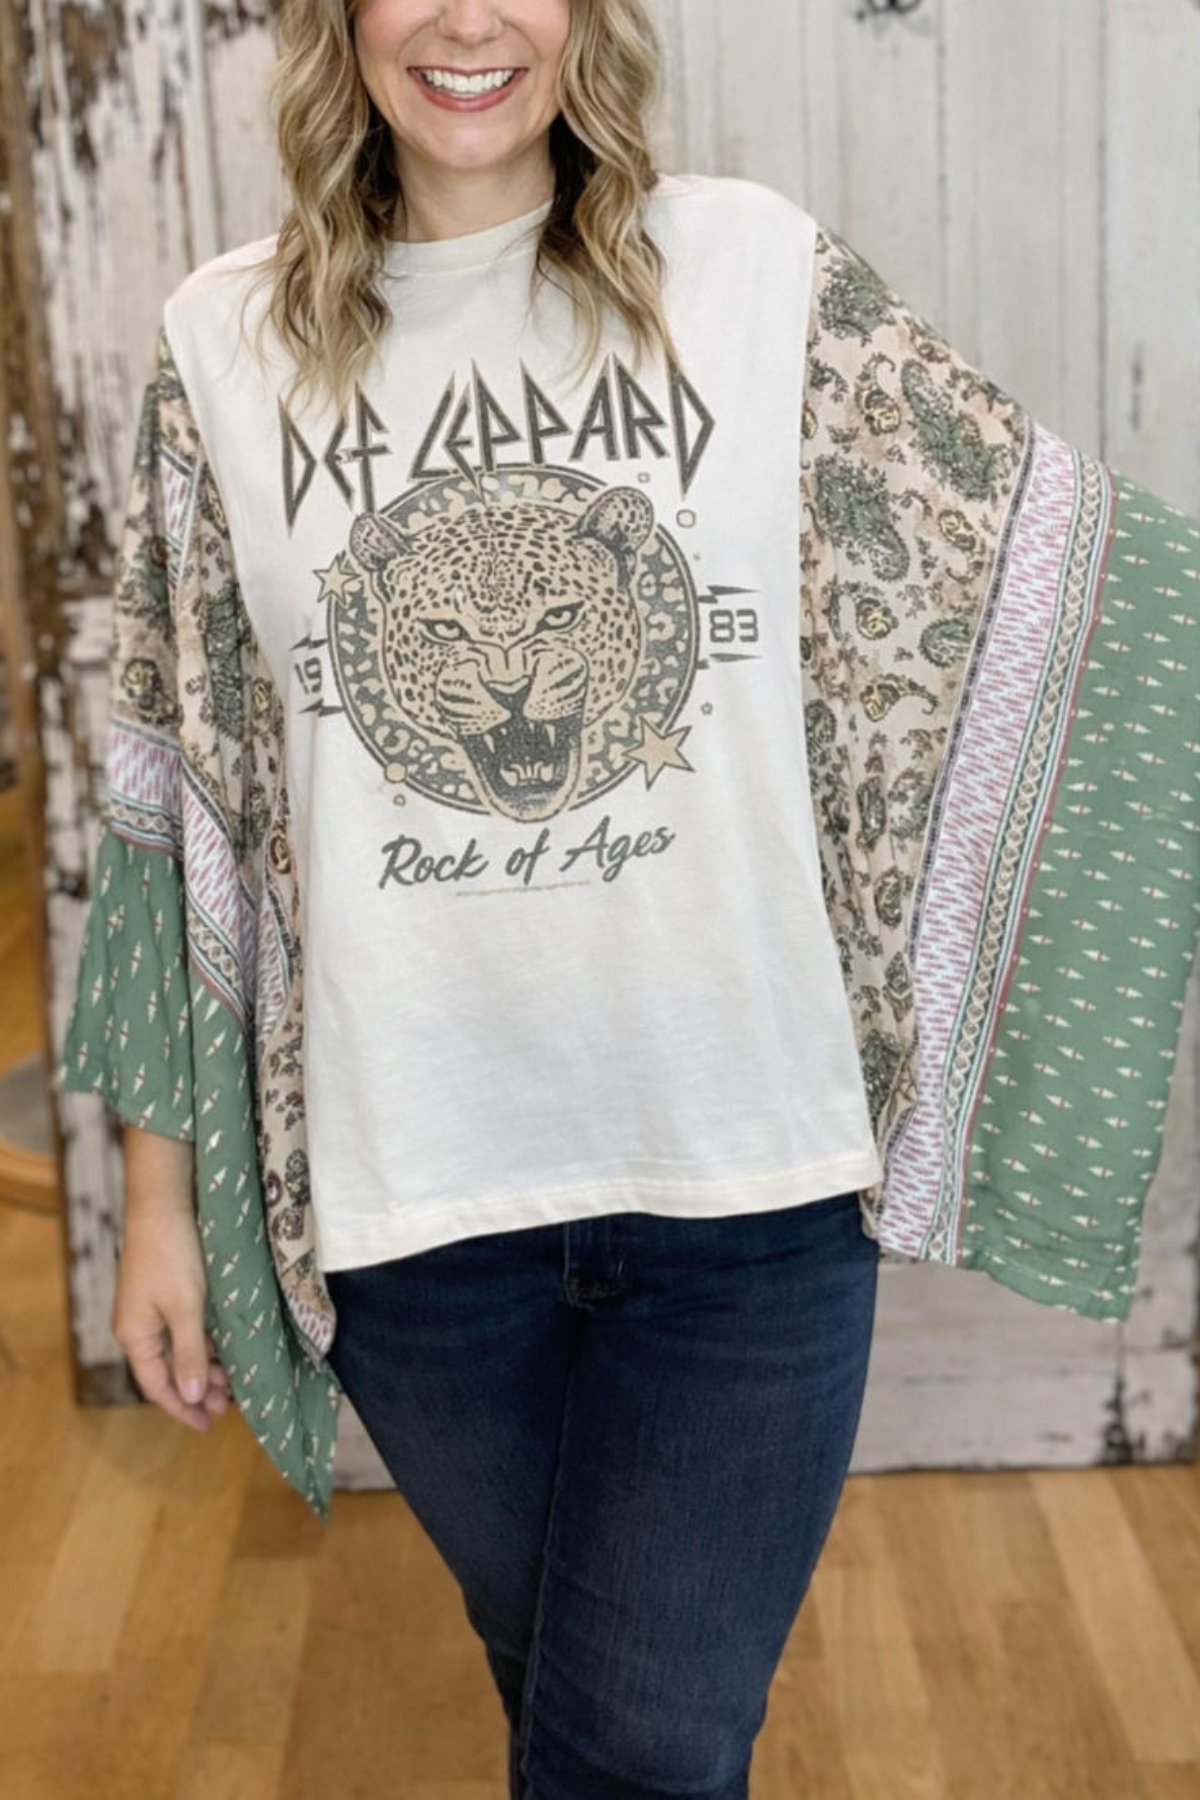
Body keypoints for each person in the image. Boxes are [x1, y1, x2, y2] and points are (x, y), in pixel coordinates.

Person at [55, 1, 1200, 1796]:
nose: (468, 20)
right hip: (418, 1200)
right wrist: (155, 1202)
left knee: (637, 1741)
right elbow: (176, 785)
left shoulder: (752, 274)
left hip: (746, 1182)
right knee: (589, 1711)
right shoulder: (225, 338)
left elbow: (1054, 579)